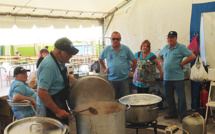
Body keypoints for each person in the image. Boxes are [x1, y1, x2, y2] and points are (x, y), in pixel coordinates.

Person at [36, 37, 78, 124]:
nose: (71, 56)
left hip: (59, 102)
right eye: (69, 53)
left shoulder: (59, 61)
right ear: (59, 51)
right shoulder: (49, 66)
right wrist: (57, 111)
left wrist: (79, 84)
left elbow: (63, 76)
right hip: (49, 109)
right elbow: (42, 92)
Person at [158, 31, 196, 123]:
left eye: (172, 37)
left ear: (176, 38)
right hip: (167, 78)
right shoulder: (165, 47)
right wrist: (162, 62)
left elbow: (192, 56)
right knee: (169, 96)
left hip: (178, 78)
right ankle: (172, 113)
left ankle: (183, 115)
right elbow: (159, 55)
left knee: (181, 97)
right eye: (169, 37)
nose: (170, 39)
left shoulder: (181, 47)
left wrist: (183, 63)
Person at [99, 31, 137, 99]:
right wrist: (104, 68)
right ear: (110, 39)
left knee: (125, 98)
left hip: (124, 79)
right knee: (113, 98)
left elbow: (134, 60)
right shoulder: (107, 49)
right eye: (113, 39)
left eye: (117, 39)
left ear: (120, 39)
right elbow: (100, 59)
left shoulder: (126, 49)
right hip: (111, 79)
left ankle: (125, 109)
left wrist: (132, 71)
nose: (115, 40)